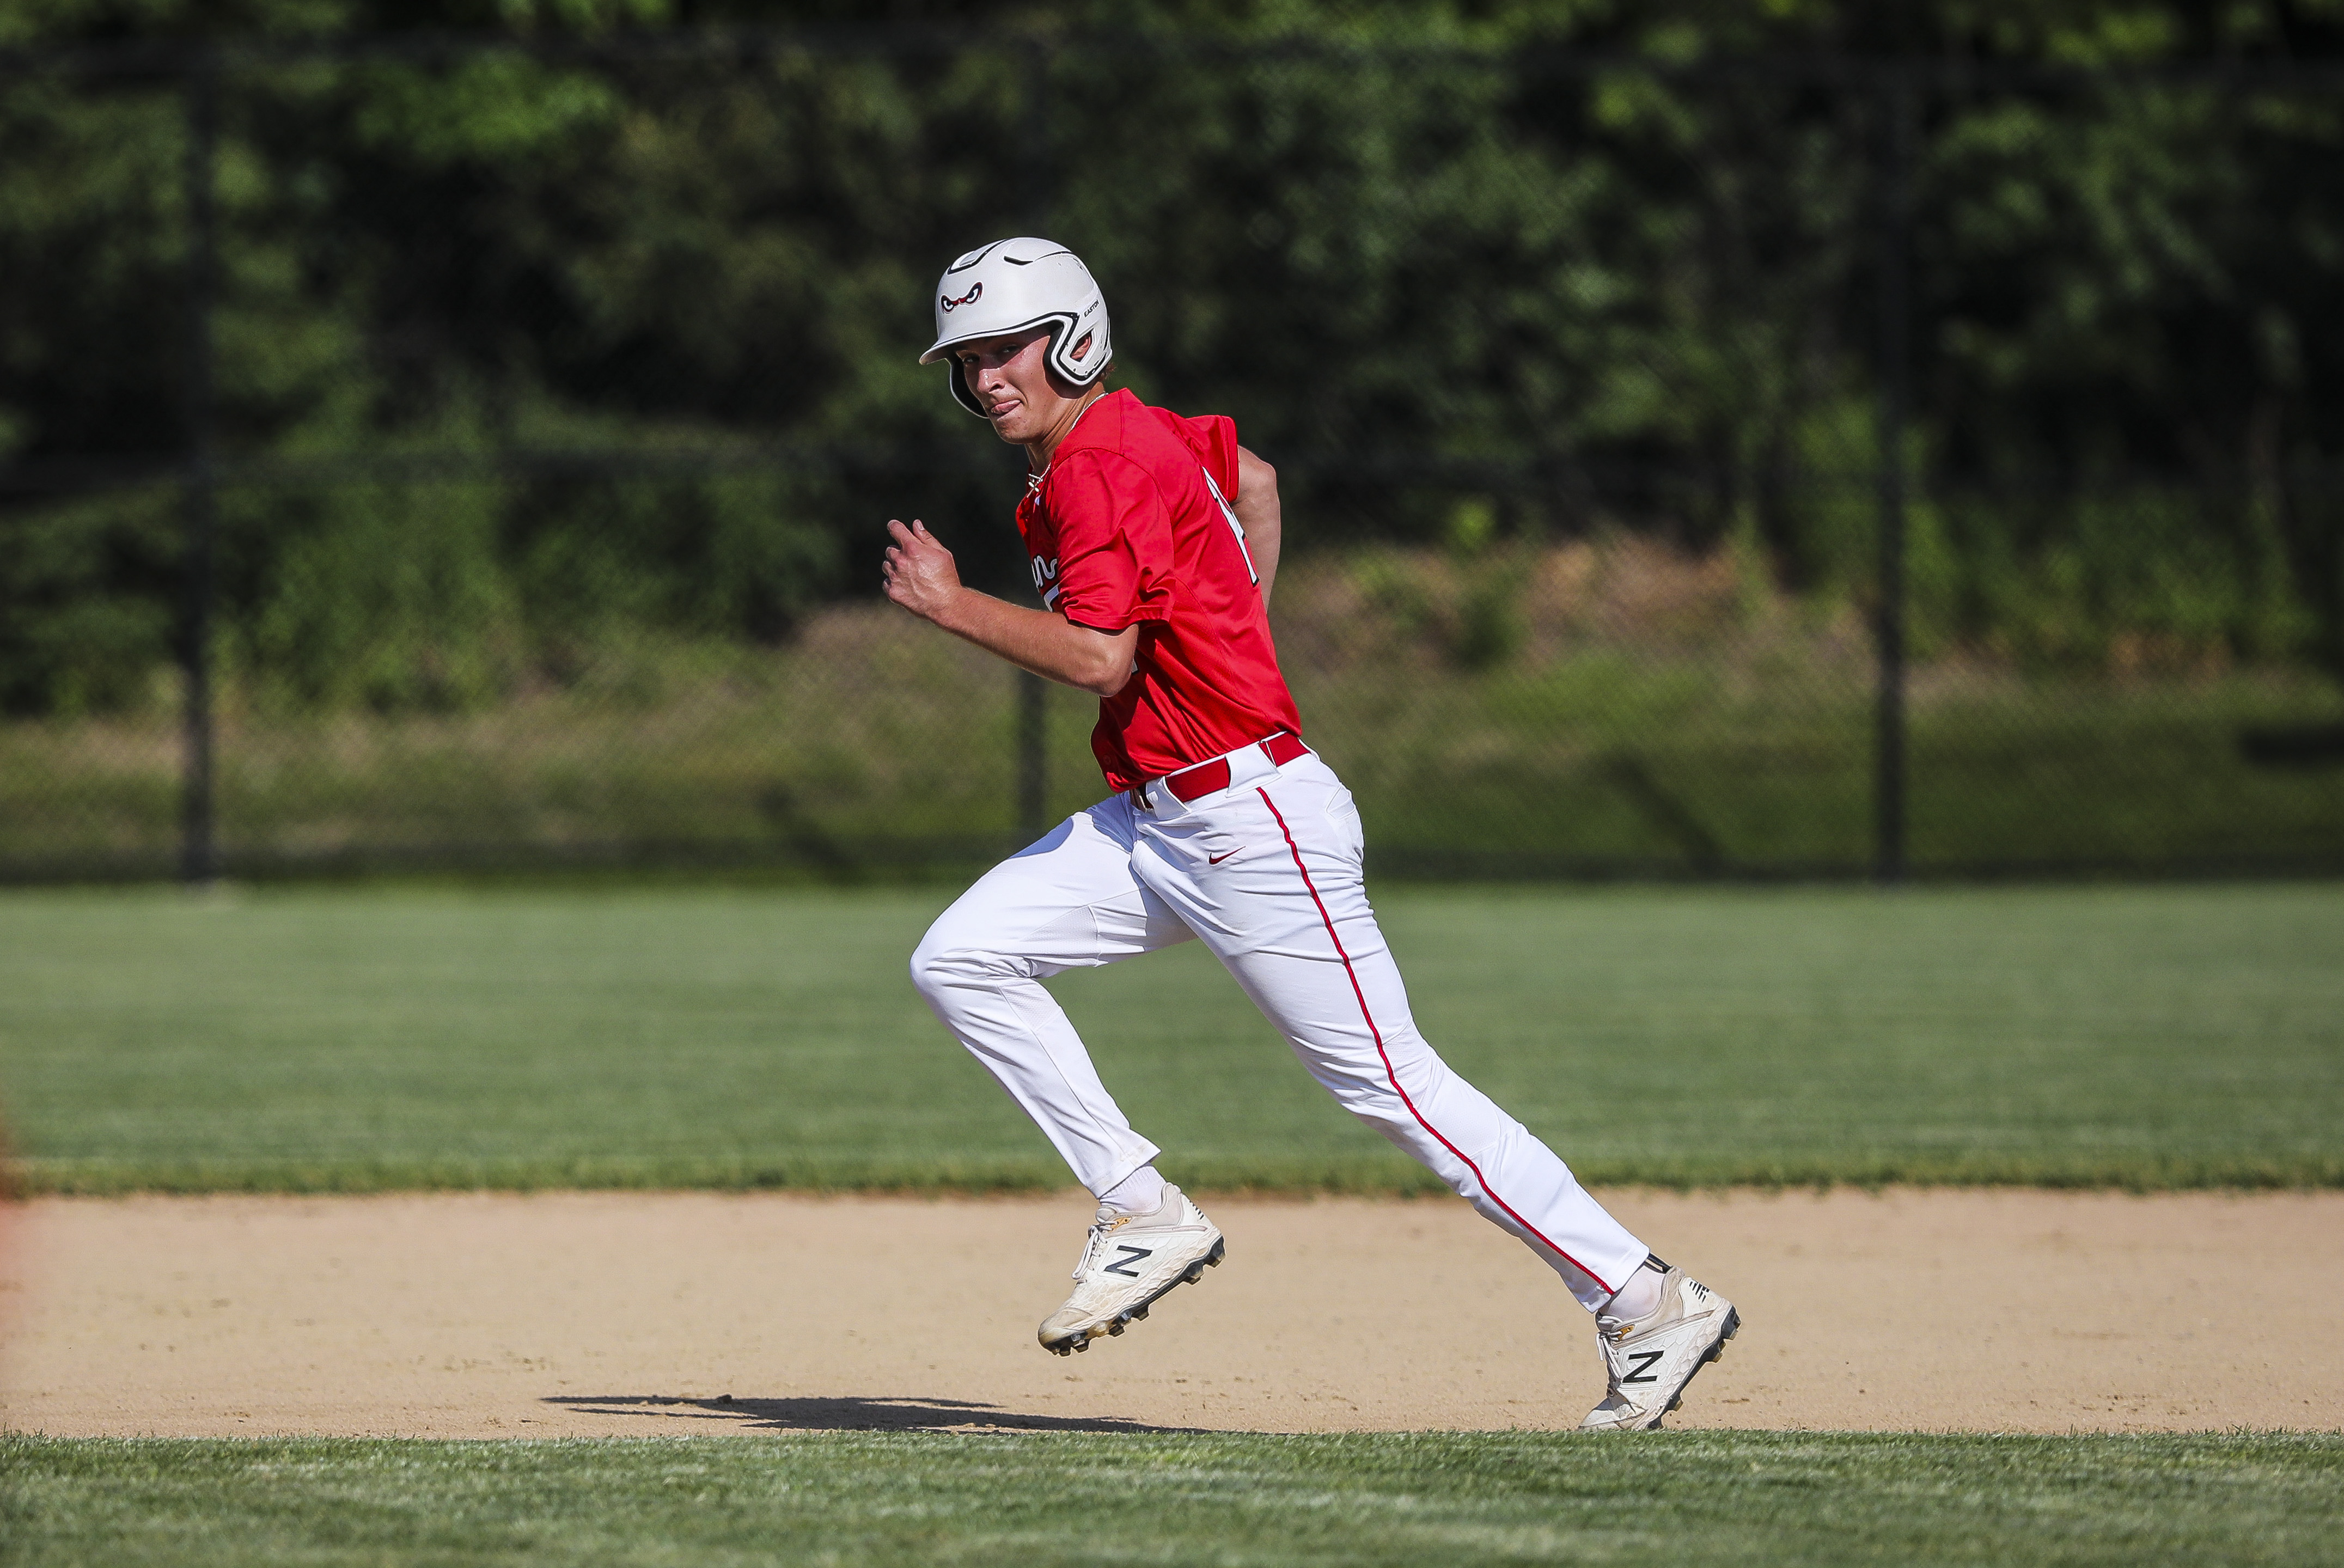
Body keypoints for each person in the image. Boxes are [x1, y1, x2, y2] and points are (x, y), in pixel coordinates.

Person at [883, 237, 1738, 1430]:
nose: (984, 379)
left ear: (1074, 336)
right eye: (966, 360)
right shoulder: (1132, 435)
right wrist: (1235, 630)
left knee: (1394, 1086)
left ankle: (1644, 1300)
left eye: (1005, 348)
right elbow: (1260, 479)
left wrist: (951, 604)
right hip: (1160, 818)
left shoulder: (1093, 467)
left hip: (1245, 821)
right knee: (961, 957)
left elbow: (1098, 656)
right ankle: (1140, 1207)